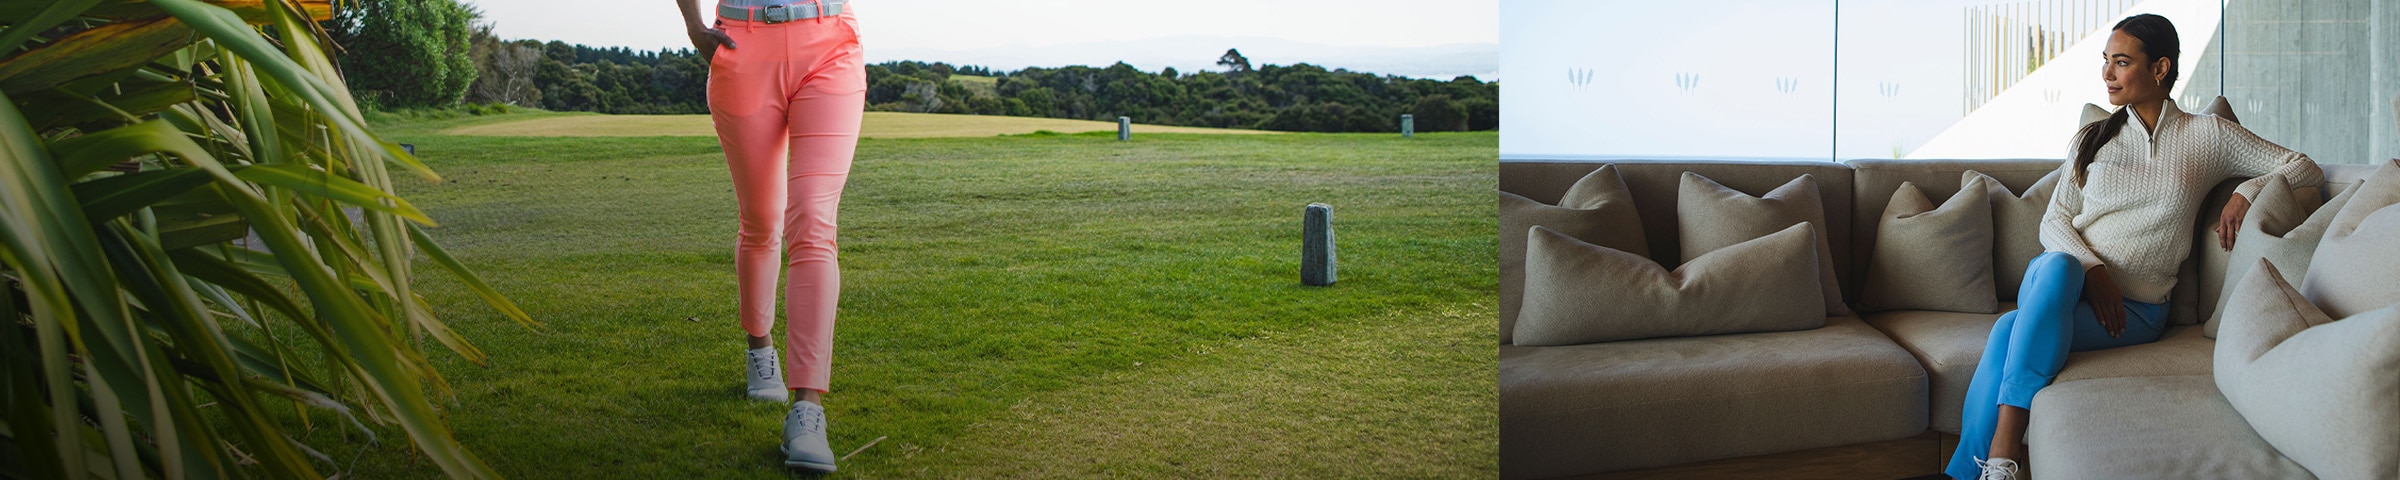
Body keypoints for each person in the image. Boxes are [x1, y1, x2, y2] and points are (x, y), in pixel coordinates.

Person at [1947, 13, 2322, 480]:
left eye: (2121, 62)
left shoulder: (2207, 136)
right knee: (2062, 267)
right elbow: (2054, 220)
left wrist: (2247, 191)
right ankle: (2004, 455)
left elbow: (2303, 166)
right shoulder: (2093, 138)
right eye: (2105, 61)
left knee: (2008, 332)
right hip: (2057, 283)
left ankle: (1965, 473)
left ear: (2160, 69)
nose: (2107, 74)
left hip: (2135, 314)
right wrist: (2092, 269)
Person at [675, 0, 865, 472]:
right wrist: (694, 26)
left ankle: (807, 409)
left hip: (830, 41)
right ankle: (760, 349)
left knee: (814, 222)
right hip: (743, 43)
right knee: (762, 221)